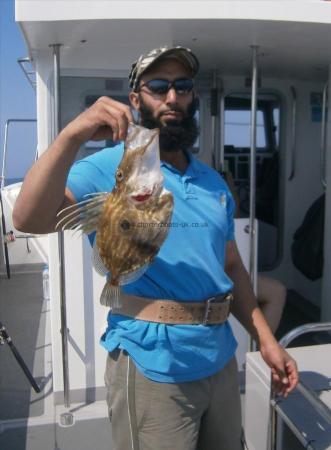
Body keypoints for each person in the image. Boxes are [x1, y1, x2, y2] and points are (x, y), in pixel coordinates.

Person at [13, 45, 298, 450]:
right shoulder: (112, 165)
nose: (172, 97)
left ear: (193, 97)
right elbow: (28, 219)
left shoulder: (212, 181)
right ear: (136, 99)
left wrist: (267, 341)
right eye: (158, 86)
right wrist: (72, 135)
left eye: (182, 86)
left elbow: (231, 266)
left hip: (219, 360)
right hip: (151, 363)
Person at [222, 170, 286, 334]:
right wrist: (228, 182)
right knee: (276, 292)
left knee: (276, 291)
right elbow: (234, 213)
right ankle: (262, 349)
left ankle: (263, 348)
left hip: (217, 271)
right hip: (210, 276)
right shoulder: (208, 180)